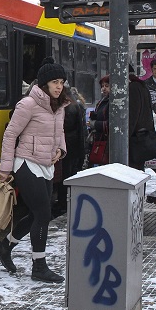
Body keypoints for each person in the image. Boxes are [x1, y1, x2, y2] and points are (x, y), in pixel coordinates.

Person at [0, 57, 70, 284]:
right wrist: (5, 168)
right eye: (55, 81)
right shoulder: (28, 104)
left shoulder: (60, 105)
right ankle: (39, 266)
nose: (59, 86)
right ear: (44, 83)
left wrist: (60, 150)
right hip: (26, 163)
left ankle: (4, 246)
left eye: (62, 82)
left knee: (37, 213)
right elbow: (10, 135)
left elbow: (59, 133)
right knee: (44, 214)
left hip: (46, 164)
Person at [54, 85, 87, 216]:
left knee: (65, 177)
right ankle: (65, 203)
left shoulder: (67, 108)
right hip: (75, 147)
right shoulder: (76, 105)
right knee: (69, 175)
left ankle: (63, 204)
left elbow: (65, 127)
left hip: (68, 146)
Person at [128, 65, 155, 171]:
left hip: (135, 139)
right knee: (138, 170)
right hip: (141, 137)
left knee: (133, 171)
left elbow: (132, 115)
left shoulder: (133, 88)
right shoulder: (141, 86)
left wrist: (126, 136)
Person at [88, 75, 112, 166]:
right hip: (100, 140)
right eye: (102, 86)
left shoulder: (111, 102)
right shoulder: (101, 102)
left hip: (107, 142)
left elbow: (111, 124)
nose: (104, 88)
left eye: (107, 86)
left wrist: (95, 124)